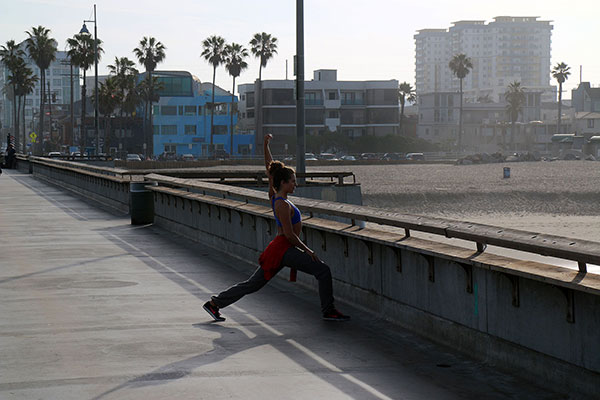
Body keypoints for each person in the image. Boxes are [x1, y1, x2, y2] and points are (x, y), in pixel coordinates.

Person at [203, 134, 350, 322]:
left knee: (253, 284)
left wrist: (265, 145)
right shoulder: (281, 204)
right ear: (283, 183)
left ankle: (215, 304)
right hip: (283, 249)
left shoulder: (276, 197)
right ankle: (328, 310)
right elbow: (288, 235)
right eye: (292, 181)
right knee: (323, 270)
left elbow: (269, 168)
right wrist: (308, 250)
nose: (295, 184)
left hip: (281, 250)